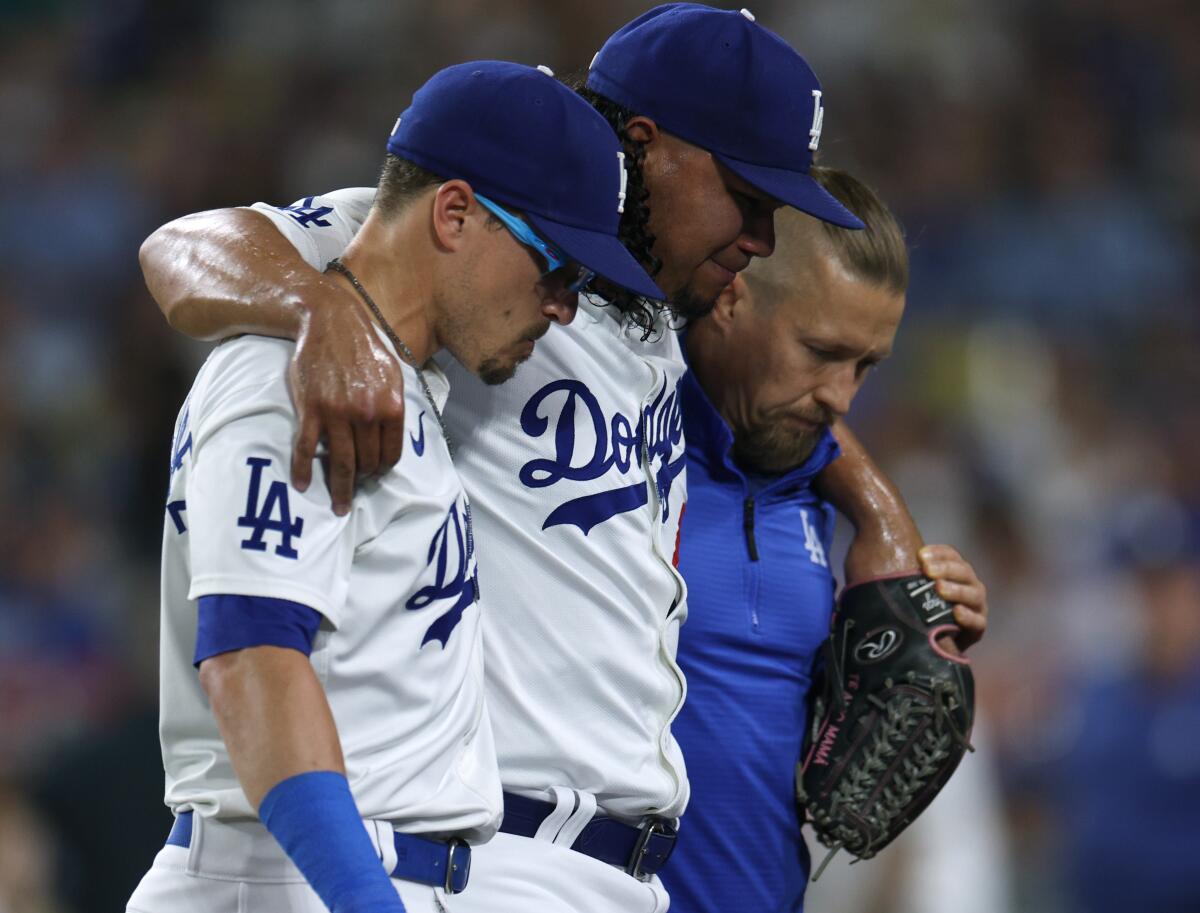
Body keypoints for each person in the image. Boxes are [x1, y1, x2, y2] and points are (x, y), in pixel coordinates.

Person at [138, 6, 942, 909]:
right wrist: (315, 310)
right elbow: (182, 247)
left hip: (615, 867)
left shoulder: (661, 322)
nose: (760, 237)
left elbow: (796, 393)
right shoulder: (481, 247)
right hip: (476, 846)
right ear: (647, 145)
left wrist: (878, 515)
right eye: (747, 199)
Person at [127, 60, 662, 913]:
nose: (564, 307)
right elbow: (251, 657)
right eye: (557, 267)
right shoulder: (291, 378)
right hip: (292, 877)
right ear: (454, 213)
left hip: (360, 874)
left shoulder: (394, 383)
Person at [664, 166, 989, 913]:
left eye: (866, 366)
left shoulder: (806, 482)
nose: (842, 395)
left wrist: (908, 623)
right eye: (820, 350)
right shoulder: (614, 437)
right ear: (731, 292)